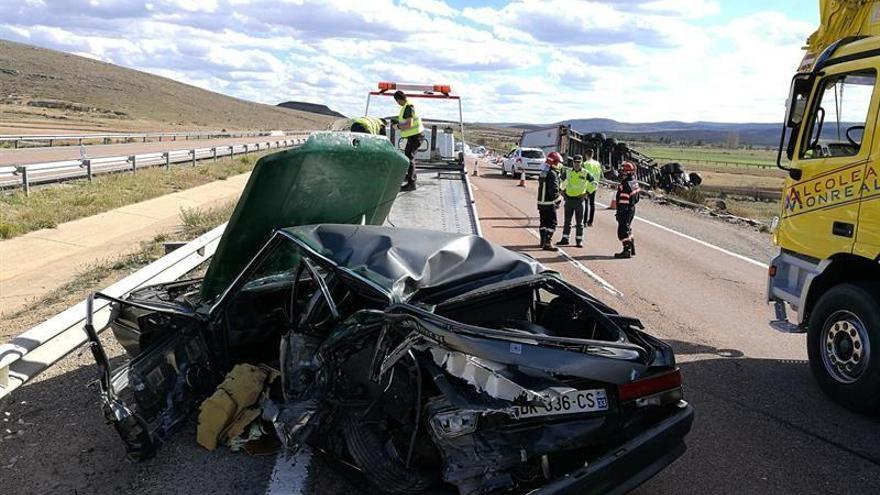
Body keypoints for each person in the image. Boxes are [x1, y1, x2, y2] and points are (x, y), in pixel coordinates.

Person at [393, 90, 424, 191]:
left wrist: (397, 126)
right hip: (413, 136)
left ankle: (411, 183)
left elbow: (409, 124)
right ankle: (410, 176)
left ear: (398, 100)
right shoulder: (407, 106)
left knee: (409, 158)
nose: (397, 104)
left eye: (397, 101)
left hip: (415, 136)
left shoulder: (408, 106)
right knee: (408, 156)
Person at [557, 154, 590, 248]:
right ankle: (565, 239)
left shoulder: (585, 173)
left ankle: (579, 240)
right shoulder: (568, 172)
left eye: (579, 162)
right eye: (575, 162)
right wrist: (561, 190)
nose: (577, 164)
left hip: (579, 200)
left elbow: (594, 183)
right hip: (569, 199)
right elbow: (559, 180)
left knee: (579, 222)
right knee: (567, 221)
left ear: (582, 162)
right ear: (573, 162)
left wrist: (587, 193)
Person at [614, 161, 640, 259]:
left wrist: (620, 213)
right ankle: (631, 247)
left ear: (628, 173)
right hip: (632, 208)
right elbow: (637, 198)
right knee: (627, 228)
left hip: (625, 210)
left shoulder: (625, 185)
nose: (622, 174)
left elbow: (623, 201)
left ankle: (627, 250)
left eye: (624, 172)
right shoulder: (634, 182)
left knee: (622, 231)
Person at [537, 151, 563, 251]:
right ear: (555, 162)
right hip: (549, 203)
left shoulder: (543, 172)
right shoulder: (552, 174)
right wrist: (558, 200)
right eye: (558, 162)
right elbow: (554, 190)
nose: (559, 164)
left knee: (543, 222)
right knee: (552, 223)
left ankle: (542, 241)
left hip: (541, 202)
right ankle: (547, 242)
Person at [582, 149, 602, 227]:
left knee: (586, 204)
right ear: (593, 155)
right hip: (594, 186)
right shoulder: (597, 164)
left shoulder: (585, 164)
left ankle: (584, 222)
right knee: (592, 204)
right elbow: (599, 174)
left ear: (586, 155)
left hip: (586, 186)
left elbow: (583, 176)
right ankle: (590, 221)